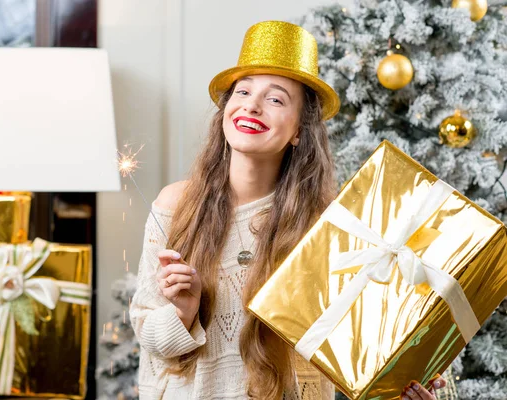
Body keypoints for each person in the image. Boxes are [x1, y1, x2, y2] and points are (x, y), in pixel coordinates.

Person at [130, 20, 447, 400]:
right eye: (243, 91)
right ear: (227, 109)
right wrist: (183, 312)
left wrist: (401, 383)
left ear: (299, 130)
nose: (252, 104)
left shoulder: (331, 226)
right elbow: (149, 338)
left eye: (276, 98)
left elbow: (355, 349)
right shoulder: (175, 205)